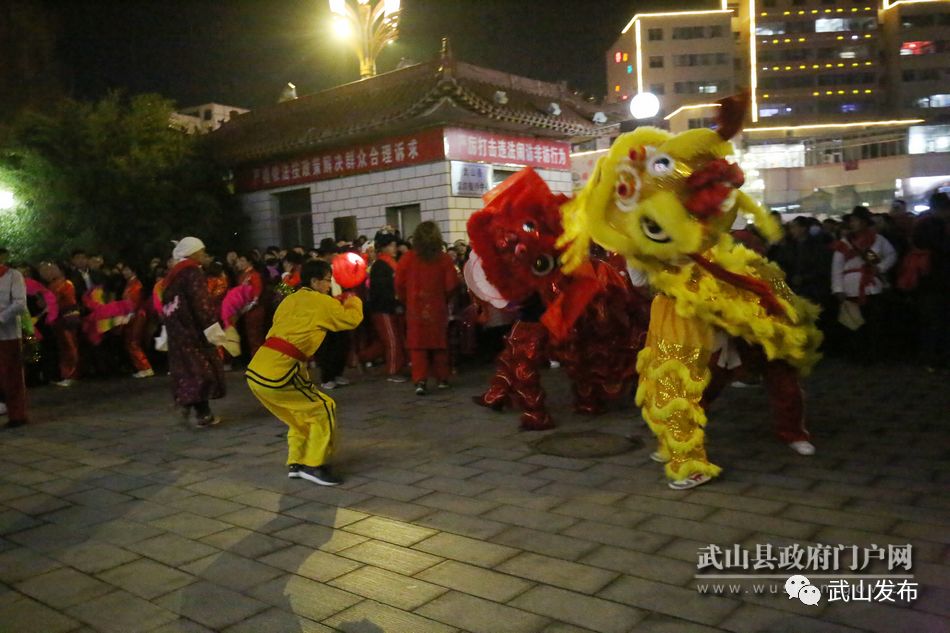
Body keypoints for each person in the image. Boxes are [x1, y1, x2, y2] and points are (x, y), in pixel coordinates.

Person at [246, 259, 363, 486]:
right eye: (328, 281)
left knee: (300, 417)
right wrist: (354, 299)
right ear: (315, 281)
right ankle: (315, 465)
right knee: (323, 408)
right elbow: (351, 319)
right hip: (280, 371)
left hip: (259, 368)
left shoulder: (290, 298)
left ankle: (297, 461)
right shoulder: (319, 301)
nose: (329, 285)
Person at [162, 237, 226, 427]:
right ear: (193, 253)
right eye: (202, 251)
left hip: (177, 331)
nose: (204, 255)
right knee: (202, 371)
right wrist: (210, 327)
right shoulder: (192, 271)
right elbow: (201, 302)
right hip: (193, 330)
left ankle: (187, 403)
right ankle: (202, 414)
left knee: (188, 371)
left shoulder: (172, 275)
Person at [395, 221, 460, 395]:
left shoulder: (407, 258)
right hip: (437, 306)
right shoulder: (444, 259)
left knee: (417, 346)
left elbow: (399, 283)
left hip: (415, 307)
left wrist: (406, 300)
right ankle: (442, 378)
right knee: (439, 344)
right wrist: (445, 299)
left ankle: (420, 381)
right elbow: (451, 284)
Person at [831, 206, 897, 362]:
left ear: (864, 222)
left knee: (874, 322)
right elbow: (837, 267)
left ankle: (874, 353)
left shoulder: (878, 240)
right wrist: (838, 289)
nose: (853, 224)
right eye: (852, 221)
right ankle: (858, 354)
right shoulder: (844, 243)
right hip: (851, 288)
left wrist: (880, 267)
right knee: (855, 324)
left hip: (872, 286)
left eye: (856, 220)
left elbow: (891, 255)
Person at [367, 234, 406, 382]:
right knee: (392, 340)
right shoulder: (380, 265)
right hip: (383, 309)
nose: (394, 248)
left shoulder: (390, 263)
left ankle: (362, 358)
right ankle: (393, 371)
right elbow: (383, 290)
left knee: (388, 340)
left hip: (389, 307)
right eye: (392, 245)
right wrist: (395, 303)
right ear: (384, 247)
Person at [39, 262, 80, 387]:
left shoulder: (67, 284)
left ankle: (72, 374)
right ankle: (65, 374)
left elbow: (66, 301)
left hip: (66, 317)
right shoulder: (52, 285)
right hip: (56, 319)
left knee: (70, 345)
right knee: (63, 346)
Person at [0, 249, 28, 429]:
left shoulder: (13, 276)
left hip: (8, 334)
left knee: (12, 375)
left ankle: (17, 414)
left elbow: (19, 304)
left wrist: (1, 317)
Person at [116, 262, 154, 378]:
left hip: (136, 315)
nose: (124, 272)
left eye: (127, 270)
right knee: (130, 342)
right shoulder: (130, 284)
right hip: (132, 315)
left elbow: (134, 302)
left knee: (133, 342)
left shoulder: (136, 285)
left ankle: (145, 367)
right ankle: (142, 366)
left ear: (133, 271)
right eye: (123, 270)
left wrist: (128, 315)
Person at [234, 252, 266, 359]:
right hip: (246, 309)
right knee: (250, 336)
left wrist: (247, 307)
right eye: (239, 260)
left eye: (242, 260)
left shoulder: (254, 275)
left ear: (249, 262)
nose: (239, 263)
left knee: (255, 336)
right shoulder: (243, 275)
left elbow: (256, 294)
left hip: (254, 310)